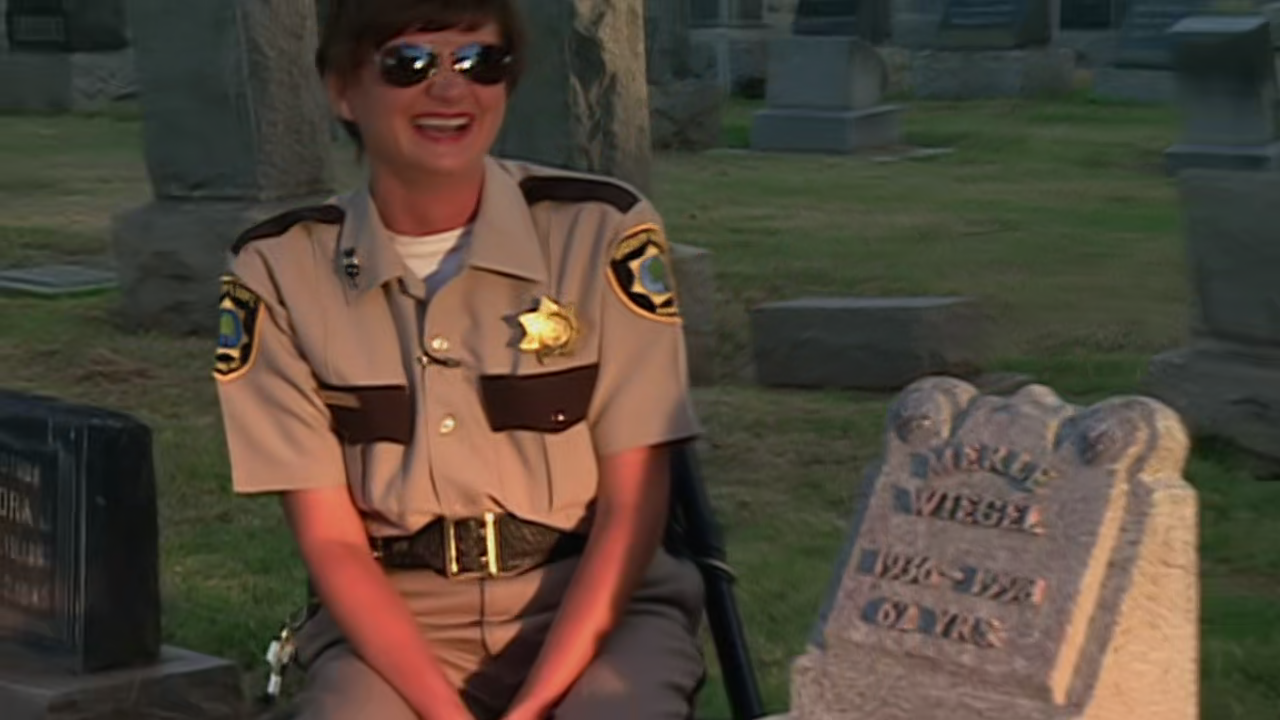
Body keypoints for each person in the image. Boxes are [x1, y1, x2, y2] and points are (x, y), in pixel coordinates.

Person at [212, 0, 708, 718]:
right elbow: (331, 541)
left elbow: (634, 507)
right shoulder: (279, 270)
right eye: (409, 64)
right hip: (397, 619)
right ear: (343, 90)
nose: (450, 88)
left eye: (480, 62)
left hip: (594, 603)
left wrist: (533, 708)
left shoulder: (601, 233)